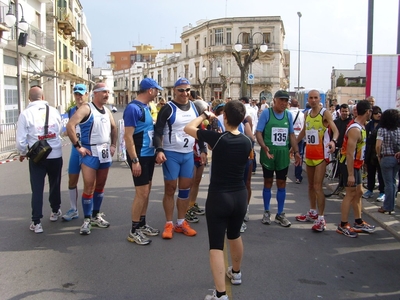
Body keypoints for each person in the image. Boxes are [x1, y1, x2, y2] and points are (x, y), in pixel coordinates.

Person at [184, 100, 253, 300]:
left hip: (219, 197)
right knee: (235, 235)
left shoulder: (218, 138)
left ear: (225, 117)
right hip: (239, 196)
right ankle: (237, 272)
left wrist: (205, 116)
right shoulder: (248, 141)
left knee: (216, 245)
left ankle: (221, 294)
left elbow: (188, 128)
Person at [66, 83, 117, 235]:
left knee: (100, 185)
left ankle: (95, 215)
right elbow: (70, 125)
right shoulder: (86, 108)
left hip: (104, 151)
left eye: (108, 92)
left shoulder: (107, 110)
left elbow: (114, 127)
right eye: (103, 92)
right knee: (89, 186)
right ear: (95, 93)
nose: (107, 94)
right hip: (90, 151)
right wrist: (78, 146)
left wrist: (113, 144)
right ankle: (86, 219)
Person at [153, 78, 199, 239]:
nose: (185, 93)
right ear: (174, 91)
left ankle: (181, 222)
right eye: (181, 90)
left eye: (187, 90)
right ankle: (168, 223)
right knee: (170, 189)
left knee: (185, 189)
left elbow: (198, 130)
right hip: (171, 154)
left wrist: (203, 150)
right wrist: (159, 150)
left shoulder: (194, 107)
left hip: (187, 154)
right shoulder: (168, 109)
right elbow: (157, 131)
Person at [16, 86, 63, 233]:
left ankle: (36, 222)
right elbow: (60, 129)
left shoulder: (25, 114)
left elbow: (20, 141)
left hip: (37, 157)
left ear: (29, 98)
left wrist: (23, 153)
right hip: (55, 154)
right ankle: (55, 211)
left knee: (37, 189)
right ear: (42, 97)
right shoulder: (54, 111)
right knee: (55, 184)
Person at [123, 78, 163, 245]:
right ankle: (133, 231)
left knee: (147, 191)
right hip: (139, 156)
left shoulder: (146, 106)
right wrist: (134, 160)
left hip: (148, 155)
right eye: (156, 90)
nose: (158, 93)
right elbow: (128, 136)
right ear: (150, 91)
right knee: (141, 194)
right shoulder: (133, 108)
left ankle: (142, 223)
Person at [256, 90, 301, 227]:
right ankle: (266, 211)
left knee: (282, 183)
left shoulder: (288, 115)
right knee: (268, 182)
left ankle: (280, 214)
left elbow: (292, 135)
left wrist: (297, 152)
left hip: (283, 154)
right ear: (274, 100)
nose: (283, 103)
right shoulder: (266, 113)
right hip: (269, 152)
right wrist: (263, 146)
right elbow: (258, 132)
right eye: (281, 100)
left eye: (286, 101)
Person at [295, 89, 339, 232]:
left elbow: (336, 130)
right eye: (311, 98)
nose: (313, 100)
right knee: (310, 186)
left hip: (321, 156)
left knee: (318, 186)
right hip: (310, 155)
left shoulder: (324, 113)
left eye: (315, 98)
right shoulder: (306, 113)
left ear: (319, 99)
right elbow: (304, 132)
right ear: (308, 99)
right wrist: (294, 146)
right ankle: (312, 211)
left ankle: (321, 218)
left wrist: (333, 141)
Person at [336, 100, 376, 237]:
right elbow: (349, 153)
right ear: (367, 112)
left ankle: (358, 221)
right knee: (350, 194)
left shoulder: (361, 126)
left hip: (356, 164)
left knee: (359, 192)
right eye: (371, 111)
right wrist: (351, 174)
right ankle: (343, 225)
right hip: (349, 165)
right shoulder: (354, 129)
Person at [62, 84, 88, 221]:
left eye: (81, 93)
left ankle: (92, 213)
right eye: (76, 94)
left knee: (90, 182)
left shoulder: (91, 109)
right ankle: (74, 209)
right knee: (72, 180)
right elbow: (68, 129)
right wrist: (67, 132)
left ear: (86, 94)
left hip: (89, 149)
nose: (79, 96)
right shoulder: (71, 110)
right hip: (75, 149)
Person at [185, 100, 208, 223]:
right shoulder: (190, 123)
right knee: (190, 182)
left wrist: (204, 151)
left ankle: (192, 204)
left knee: (197, 181)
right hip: (191, 155)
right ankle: (186, 208)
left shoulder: (202, 124)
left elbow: (202, 138)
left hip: (200, 155)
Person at [376, 109, 400, 214]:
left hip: (386, 157)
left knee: (388, 183)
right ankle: (391, 205)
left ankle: (387, 206)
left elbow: (378, 145)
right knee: (393, 182)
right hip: (397, 158)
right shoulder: (399, 130)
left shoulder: (382, 130)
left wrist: (378, 155)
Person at [363, 106, 385, 201]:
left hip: (380, 152)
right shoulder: (369, 125)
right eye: (376, 113)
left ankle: (382, 192)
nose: (378, 114)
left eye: (379, 112)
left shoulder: (384, 125)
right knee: (370, 173)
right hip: (370, 152)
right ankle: (370, 190)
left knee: (381, 174)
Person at [332, 103, 352, 193]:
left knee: (345, 168)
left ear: (349, 112)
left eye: (346, 111)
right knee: (339, 167)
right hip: (337, 148)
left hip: (347, 149)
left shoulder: (351, 122)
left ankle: (345, 185)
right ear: (340, 112)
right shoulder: (336, 122)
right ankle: (340, 185)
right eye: (343, 111)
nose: (344, 113)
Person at [288, 98, 305, 183]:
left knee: (285, 155)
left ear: (290, 104)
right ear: (298, 105)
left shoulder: (287, 113)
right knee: (298, 156)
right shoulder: (302, 114)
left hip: (289, 137)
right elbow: (303, 128)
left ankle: (282, 174)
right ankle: (298, 176)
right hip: (299, 137)